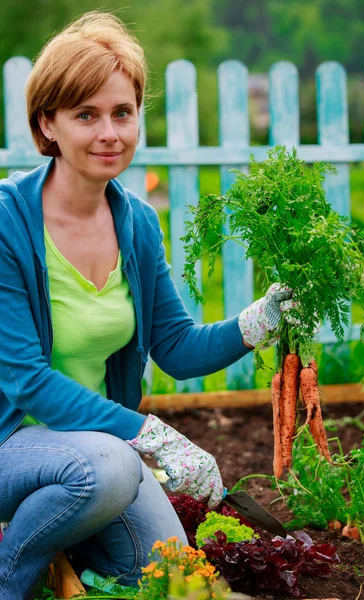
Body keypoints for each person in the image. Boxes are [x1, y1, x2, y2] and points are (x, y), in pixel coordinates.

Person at [0, 11, 296, 599]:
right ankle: (11, 577)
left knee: (167, 577)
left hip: (98, 454)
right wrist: (151, 434)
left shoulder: (136, 221)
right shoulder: (8, 221)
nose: (110, 132)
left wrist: (257, 321)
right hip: (18, 442)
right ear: (47, 124)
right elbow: (27, 381)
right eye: (86, 115)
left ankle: (59, 533)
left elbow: (175, 347)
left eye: (122, 113)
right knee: (108, 467)